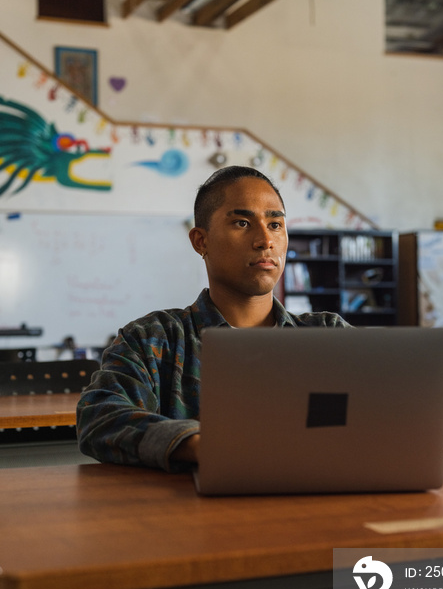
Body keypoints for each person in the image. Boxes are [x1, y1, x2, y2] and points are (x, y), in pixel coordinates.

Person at [77, 165, 349, 472]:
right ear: (200, 242)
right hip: (197, 513)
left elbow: (391, 410)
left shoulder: (328, 335)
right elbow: (98, 417)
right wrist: (198, 444)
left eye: (275, 224)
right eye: (243, 223)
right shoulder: (153, 340)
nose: (265, 240)